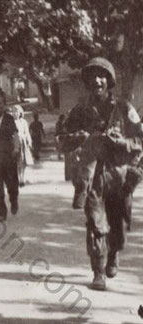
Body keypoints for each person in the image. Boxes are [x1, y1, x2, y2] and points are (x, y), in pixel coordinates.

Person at [59, 57, 143, 291]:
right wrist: (81, 138)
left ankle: (114, 253)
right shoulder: (79, 110)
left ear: (109, 80)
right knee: (96, 223)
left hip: (120, 176)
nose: (97, 80)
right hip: (91, 176)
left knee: (119, 226)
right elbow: (62, 141)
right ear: (87, 81)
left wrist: (124, 142)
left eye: (102, 75)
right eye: (92, 76)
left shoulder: (124, 108)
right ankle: (98, 271)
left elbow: (140, 140)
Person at [0, 96, 21, 222]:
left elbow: (15, 134)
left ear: (4, 105)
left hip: (8, 157)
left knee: (12, 184)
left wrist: (16, 148)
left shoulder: (8, 119)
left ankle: (14, 200)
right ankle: (1, 212)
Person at [13, 105, 33, 186]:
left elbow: (27, 132)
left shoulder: (23, 122)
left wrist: (29, 141)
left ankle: (22, 178)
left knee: (23, 162)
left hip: (23, 143)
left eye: (16, 111)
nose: (14, 113)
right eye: (13, 111)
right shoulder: (11, 122)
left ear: (20, 112)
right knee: (17, 162)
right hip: (14, 143)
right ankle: (18, 178)